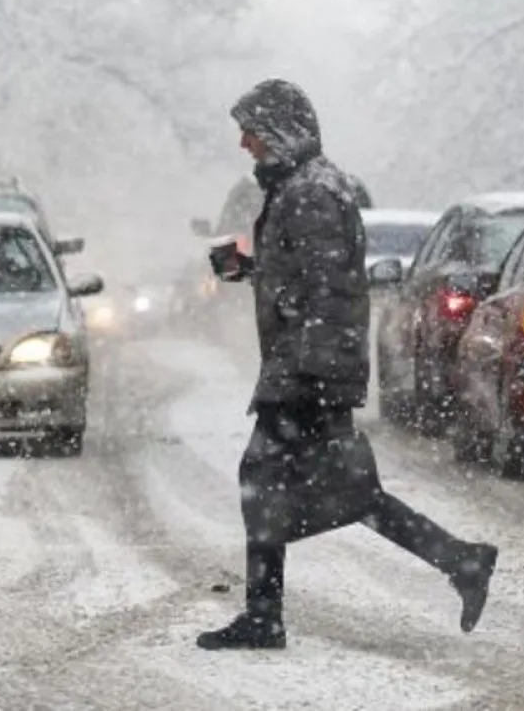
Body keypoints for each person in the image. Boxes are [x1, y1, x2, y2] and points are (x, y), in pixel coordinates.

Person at [197, 78, 499, 651]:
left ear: (282, 131)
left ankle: (266, 616)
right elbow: (309, 277)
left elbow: (330, 290)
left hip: (307, 371)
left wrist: (311, 377)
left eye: (252, 131)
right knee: (341, 492)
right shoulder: (304, 187)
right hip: (309, 367)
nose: (244, 143)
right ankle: (460, 560)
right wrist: (250, 267)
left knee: (269, 483)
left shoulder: (311, 192)